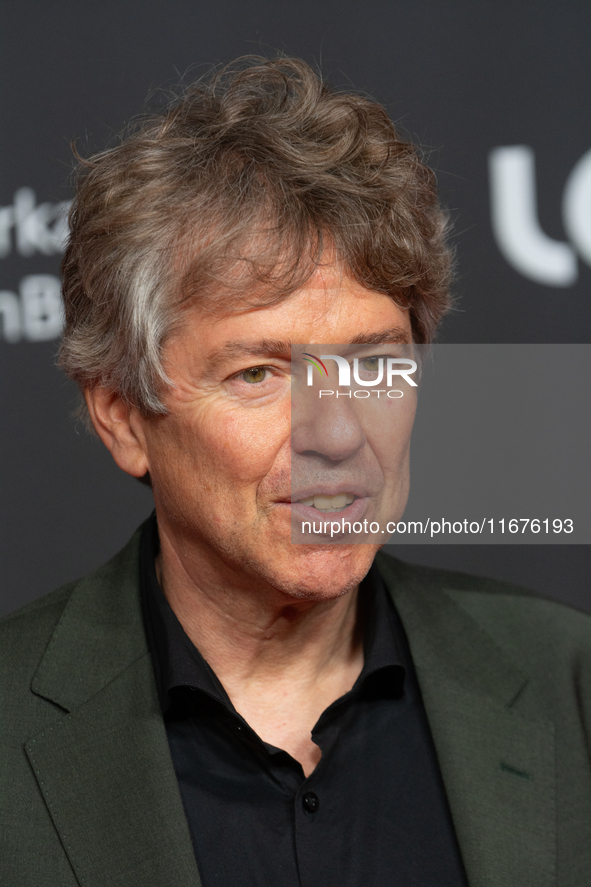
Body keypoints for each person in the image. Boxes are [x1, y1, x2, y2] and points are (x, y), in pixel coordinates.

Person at [1, 57, 590, 887]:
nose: (339, 433)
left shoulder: (568, 680)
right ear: (124, 418)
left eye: (371, 362)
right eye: (257, 375)